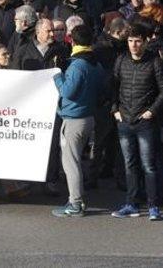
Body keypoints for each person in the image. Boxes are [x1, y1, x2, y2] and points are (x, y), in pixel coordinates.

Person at [110, 23, 163, 221]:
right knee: (130, 164)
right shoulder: (120, 61)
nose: (133, 45)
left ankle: (153, 205)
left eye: (137, 41)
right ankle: (131, 203)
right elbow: (113, 86)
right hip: (124, 120)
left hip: (145, 122)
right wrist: (115, 110)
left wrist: (152, 111)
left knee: (148, 165)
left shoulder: (155, 62)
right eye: (130, 41)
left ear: (145, 42)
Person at [51, 24, 106, 218]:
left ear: (72, 41)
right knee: (76, 161)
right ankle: (77, 200)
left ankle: (75, 203)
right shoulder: (96, 64)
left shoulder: (77, 65)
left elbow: (67, 92)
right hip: (88, 117)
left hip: (74, 120)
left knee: (71, 163)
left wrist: (57, 75)